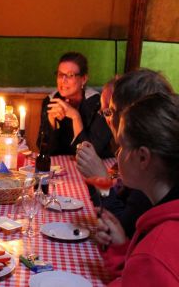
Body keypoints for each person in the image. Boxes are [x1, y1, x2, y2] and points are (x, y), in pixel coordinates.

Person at [76, 69, 174, 237]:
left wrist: (101, 181)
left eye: (111, 111)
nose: (109, 119)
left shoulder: (152, 170)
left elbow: (123, 229)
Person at [95, 93, 179, 286]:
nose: (118, 153)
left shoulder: (155, 252)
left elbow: (153, 265)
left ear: (143, 158)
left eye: (122, 146)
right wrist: (121, 251)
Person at [37, 52, 112, 158]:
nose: (63, 80)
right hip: (62, 168)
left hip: (98, 167)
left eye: (70, 75)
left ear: (84, 79)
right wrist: (51, 122)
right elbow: (44, 150)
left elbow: (91, 154)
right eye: (60, 75)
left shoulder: (98, 103)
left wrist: (75, 116)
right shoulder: (51, 101)